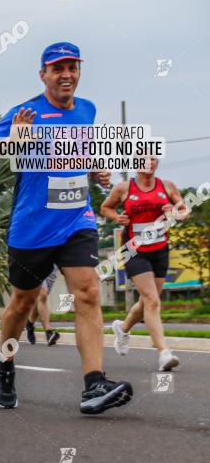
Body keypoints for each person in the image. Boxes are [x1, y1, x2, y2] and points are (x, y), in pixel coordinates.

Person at [0, 41, 133, 415]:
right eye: (57, 68)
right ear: (43, 74)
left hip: (77, 218)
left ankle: (94, 385)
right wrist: (16, 139)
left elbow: (77, 152)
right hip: (33, 227)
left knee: (88, 292)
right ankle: (6, 365)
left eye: (72, 67)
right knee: (22, 302)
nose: (66, 75)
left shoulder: (88, 110)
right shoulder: (26, 112)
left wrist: (93, 169)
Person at [101, 158, 185, 371]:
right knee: (152, 301)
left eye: (152, 160)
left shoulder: (166, 186)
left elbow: (184, 211)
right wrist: (116, 217)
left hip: (159, 249)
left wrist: (174, 213)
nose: (148, 163)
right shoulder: (124, 188)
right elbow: (106, 208)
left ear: (156, 164)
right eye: (143, 160)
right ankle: (164, 353)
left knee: (148, 300)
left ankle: (123, 327)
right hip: (134, 250)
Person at [25, 268, 61, 346]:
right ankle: (49, 333)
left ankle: (30, 323)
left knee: (40, 299)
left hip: (52, 266)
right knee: (42, 295)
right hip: (37, 262)